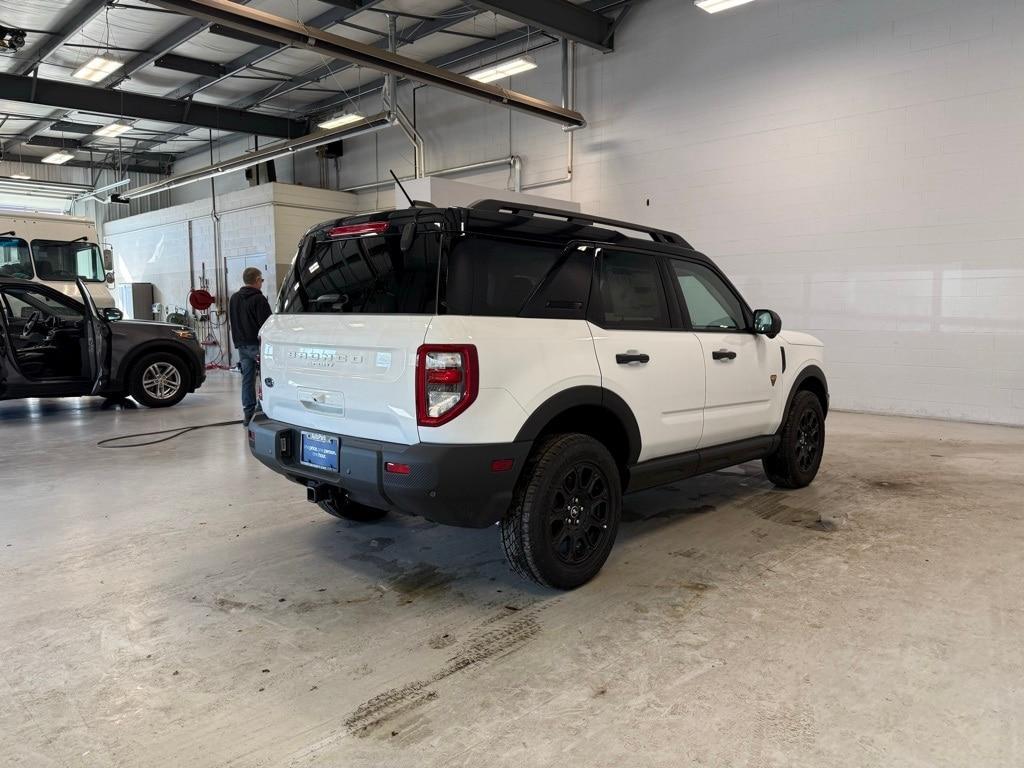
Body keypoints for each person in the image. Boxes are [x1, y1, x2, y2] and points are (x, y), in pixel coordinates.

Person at [229, 267, 272, 425]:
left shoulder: (234, 298)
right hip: (257, 345)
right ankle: (263, 410)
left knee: (247, 380)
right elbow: (267, 325)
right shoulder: (259, 300)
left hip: (242, 346)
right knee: (266, 378)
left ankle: (248, 414)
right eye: (261, 280)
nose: (261, 283)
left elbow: (233, 321)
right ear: (257, 280)